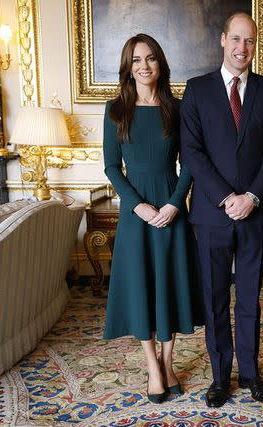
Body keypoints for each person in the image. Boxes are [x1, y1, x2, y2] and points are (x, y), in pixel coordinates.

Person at [180, 12, 263, 408]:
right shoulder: (197, 90)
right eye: (237, 39)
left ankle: (251, 374)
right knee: (213, 299)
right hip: (211, 214)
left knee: (249, 299)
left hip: (255, 214)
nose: (244, 48)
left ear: (256, 46)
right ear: (223, 40)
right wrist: (227, 198)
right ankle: (219, 377)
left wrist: (253, 197)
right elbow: (191, 152)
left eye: (251, 41)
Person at [102, 33, 204, 404]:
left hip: (171, 208)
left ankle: (169, 361)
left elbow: (191, 163)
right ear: (128, 67)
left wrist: (176, 204)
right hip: (137, 213)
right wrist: (137, 206)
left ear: (160, 64)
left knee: (170, 284)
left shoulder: (178, 110)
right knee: (144, 285)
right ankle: (152, 366)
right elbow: (112, 167)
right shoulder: (115, 110)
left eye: (150, 59)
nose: (144, 66)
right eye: (137, 60)